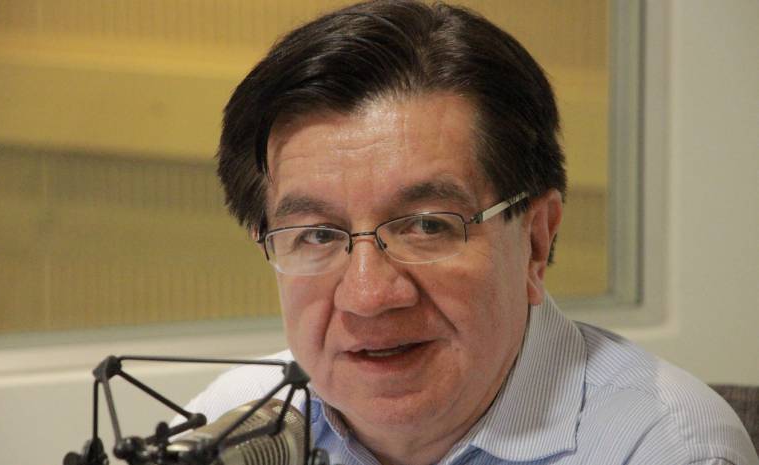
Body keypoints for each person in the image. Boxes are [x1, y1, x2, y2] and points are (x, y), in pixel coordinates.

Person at [184, 1, 758, 464]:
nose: (368, 295)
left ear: (536, 240)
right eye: (317, 235)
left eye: (427, 226)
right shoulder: (233, 428)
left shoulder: (664, 447)